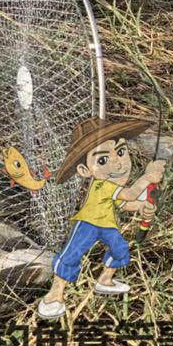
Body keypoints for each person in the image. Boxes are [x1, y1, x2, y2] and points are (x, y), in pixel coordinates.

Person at [36, 116, 165, 319]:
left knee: (120, 248)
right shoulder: (103, 184)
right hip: (88, 224)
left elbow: (126, 203)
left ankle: (105, 280)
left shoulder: (114, 187)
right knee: (72, 254)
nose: (118, 163)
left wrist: (143, 207)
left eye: (121, 152)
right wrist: (147, 177)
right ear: (84, 170)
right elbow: (129, 194)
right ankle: (55, 294)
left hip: (107, 225)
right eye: (103, 160)